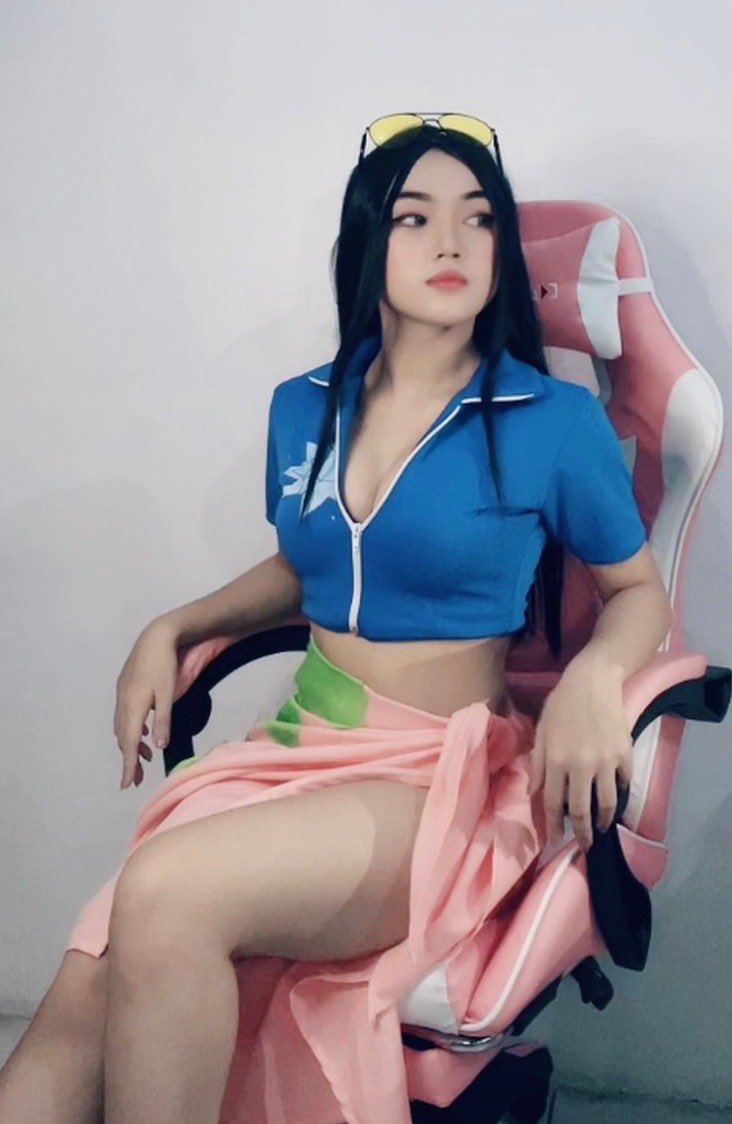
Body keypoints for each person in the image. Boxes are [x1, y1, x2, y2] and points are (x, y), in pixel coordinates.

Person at [0, 113, 673, 1124]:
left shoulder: (547, 421)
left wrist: (591, 677)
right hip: (299, 743)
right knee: (84, 985)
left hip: (435, 774)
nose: (451, 241)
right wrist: (171, 626)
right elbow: (306, 564)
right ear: (367, 241)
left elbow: (636, 592)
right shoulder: (303, 407)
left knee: (166, 894)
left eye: (479, 218)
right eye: (415, 218)